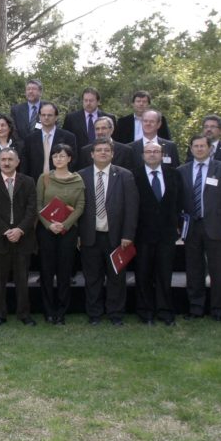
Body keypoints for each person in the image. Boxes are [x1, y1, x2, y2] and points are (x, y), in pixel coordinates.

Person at [78, 137, 138, 326]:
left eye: (106, 150)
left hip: (116, 237)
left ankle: (115, 314)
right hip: (90, 236)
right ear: (92, 154)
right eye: (99, 150)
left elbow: (132, 207)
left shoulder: (125, 175)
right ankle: (94, 314)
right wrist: (78, 234)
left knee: (117, 278)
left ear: (112, 154)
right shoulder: (81, 175)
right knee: (92, 278)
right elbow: (77, 208)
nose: (103, 153)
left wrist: (128, 234)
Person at [179, 134, 221, 321]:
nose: (199, 149)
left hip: (217, 227)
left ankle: (219, 310)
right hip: (192, 228)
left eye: (202, 146)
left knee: (218, 271)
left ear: (210, 148)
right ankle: (196, 309)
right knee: (194, 270)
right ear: (190, 148)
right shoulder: (182, 171)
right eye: (195, 146)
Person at [0, 149, 37, 326]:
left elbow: (31, 209)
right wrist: (6, 231)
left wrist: (20, 230)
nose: (6, 163)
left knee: (22, 280)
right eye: (3, 159)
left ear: (17, 162)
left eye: (10, 159)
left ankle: (24, 314)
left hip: (23, 238)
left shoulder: (28, 182)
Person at [133, 141, 182, 326]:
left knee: (164, 274)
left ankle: (165, 311)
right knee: (143, 273)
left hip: (167, 234)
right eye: (148, 151)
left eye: (156, 151)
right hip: (142, 233)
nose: (152, 154)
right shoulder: (134, 175)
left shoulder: (173, 174)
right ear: (143, 155)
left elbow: (179, 202)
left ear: (162, 154)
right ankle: (145, 312)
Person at [35, 143, 84, 324]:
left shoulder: (78, 179)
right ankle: (48, 311)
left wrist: (65, 224)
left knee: (64, 273)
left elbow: (80, 206)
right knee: (46, 272)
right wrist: (49, 225)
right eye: (55, 156)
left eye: (62, 156)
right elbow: (38, 205)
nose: (58, 159)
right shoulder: (45, 178)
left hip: (68, 231)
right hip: (47, 231)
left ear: (69, 158)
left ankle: (61, 311)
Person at [24, 102, 78, 180]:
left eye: (50, 115)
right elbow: (26, 164)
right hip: (35, 182)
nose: (46, 117)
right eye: (43, 115)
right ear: (39, 116)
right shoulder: (30, 139)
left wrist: (65, 179)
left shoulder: (68, 137)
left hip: (61, 182)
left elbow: (73, 161)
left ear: (56, 117)